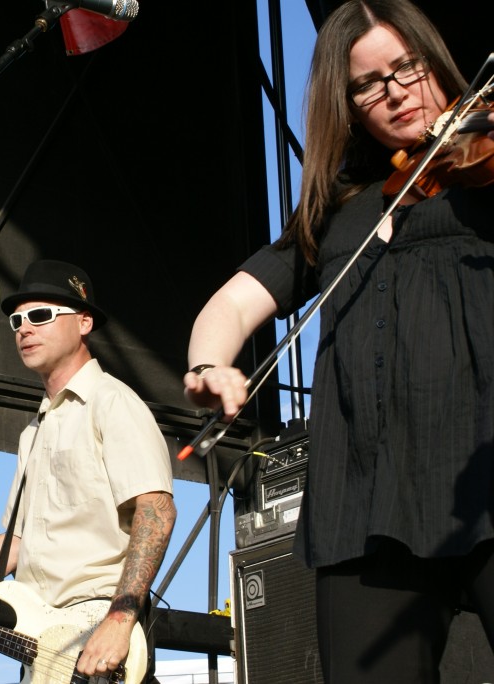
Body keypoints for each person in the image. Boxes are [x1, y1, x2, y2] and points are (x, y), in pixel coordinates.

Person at [182, 2, 494, 681]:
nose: (397, 90)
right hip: (366, 501)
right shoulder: (338, 209)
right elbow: (233, 303)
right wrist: (210, 364)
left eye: (408, 66)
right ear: (347, 104)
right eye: (370, 82)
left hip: (483, 469)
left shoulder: (482, 165)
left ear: (436, 63)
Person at [0, 260, 177, 682]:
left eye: (40, 316)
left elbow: (156, 511)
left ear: (84, 322)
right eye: (17, 320)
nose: (23, 329)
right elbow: (18, 543)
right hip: (45, 644)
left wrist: (120, 619)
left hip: (98, 628)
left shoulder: (112, 403)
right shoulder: (33, 432)